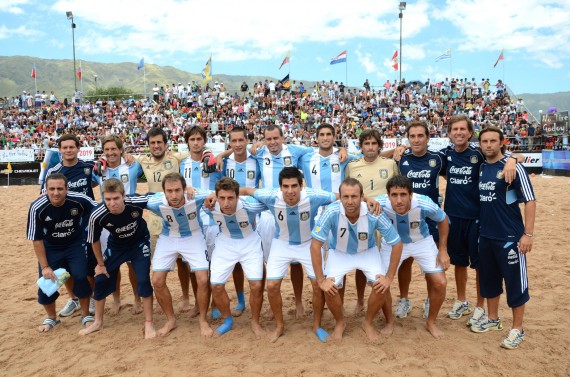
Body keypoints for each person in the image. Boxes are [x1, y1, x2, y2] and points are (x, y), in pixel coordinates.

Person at [240, 167, 337, 342]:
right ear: (280, 187)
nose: (290, 191)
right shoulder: (270, 195)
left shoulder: (314, 196)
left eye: (294, 186)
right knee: (272, 286)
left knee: (317, 284)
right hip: (281, 243)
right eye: (286, 186)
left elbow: (339, 196)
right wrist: (214, 196)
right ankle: (279, 325)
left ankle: (317, 325)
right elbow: (246, 190)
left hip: (308, 243)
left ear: (301, 186)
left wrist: (367, 199)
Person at [310, 178, 403, 341]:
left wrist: (389, 277)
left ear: (362, 197)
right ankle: (340, 322)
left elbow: (397, 243)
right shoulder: (331, 212)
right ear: (340, 197)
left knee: (381, 285)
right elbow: (315, 246)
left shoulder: (373, 212)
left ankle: (367, 322)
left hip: (367, 251)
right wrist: (320, 280)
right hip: (339, 252)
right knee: (329, 287)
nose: (350, 201)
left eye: (354, 197)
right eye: (345, 197)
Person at [471, 126, 535, 350]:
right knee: (489, 282)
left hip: (511, 237)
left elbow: (530, 200)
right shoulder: (480, 168)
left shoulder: (514, 168)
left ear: (501, 142)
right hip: (486, 236)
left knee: (515, 284)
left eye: (492, 141)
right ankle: (493, 319)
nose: (488, 145)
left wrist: (527, 234)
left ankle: (518, 329)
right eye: (484, 141)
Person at [376, 175, 450, 338]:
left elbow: (443, 219)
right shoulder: (380, 203)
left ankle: (431, 322)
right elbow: (359, 203)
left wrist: (443, 250)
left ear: (411, 195)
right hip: (392, 243)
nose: (399, 200)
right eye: (394, 195)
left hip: (421, 241)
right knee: (381, 283)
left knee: (440, 282)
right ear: (388, 196)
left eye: (403, 195)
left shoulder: (423, 203)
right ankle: (389, 321)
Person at [80, 178, 155, 338]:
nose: (112, 203)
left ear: (124, 196)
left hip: (139, 244)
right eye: (108, 199)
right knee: (101, 279)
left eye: (116, 198)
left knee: (143, 280)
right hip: (116, 246)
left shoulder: (135, 201)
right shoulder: (97, 215)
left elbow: (160, 197)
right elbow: (93, 240)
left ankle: (149, 323)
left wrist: (187, 191)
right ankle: (98, 322)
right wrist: (100, 264)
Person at [146, 173, 214, 337]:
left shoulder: (194, 196)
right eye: (169, 191)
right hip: (168, 237)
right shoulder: (155, 202)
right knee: (156, 280)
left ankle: (203, 320)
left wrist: (196, 190)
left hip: (193, 236)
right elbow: (137, 200)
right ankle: (171, 320)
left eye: (178, 190)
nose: (174, 195)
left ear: (184, 189)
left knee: (203, 279)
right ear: (163, 192)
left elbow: (217, 193)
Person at [27, 173, 97, 332]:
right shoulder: (37, 207)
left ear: (67, 189)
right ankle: (51, 318)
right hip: (51, 247)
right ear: (45, 189)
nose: (56, 193)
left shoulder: (79, 200)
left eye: (60, 188)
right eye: (51, 189)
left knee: (81, 276)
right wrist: (45, 267)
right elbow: (36, 240)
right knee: (47, 283)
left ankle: (86, 314)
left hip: (75, 245)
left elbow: (99, 208)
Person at [135, 128, 193, 314]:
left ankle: (185, 298)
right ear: (149, 145)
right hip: (154, 221)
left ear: (166, 144)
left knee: (183, 262)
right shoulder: (143, 161)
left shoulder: (176, 158)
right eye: (152, 143)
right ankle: (162, 300)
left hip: (177, 217)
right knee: (157, 264)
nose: (156, 146)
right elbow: (122, 159)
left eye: (159, 142)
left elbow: (200, 150)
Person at [392, 121, 446, 320]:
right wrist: (396, 151)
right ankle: (404, 299)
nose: (416, 140)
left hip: (430, 219)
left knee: (430, 265)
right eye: (412, 136)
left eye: (420, 136)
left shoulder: (438, 159)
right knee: (405, 262)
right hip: (404, 219)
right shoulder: (401, 158)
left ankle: (430, 300)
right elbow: (379, 158)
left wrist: (514, 158)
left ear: (428, 138)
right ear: (407, 139)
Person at [43, 134, 99, 318]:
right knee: (66, 267)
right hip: (64, 224)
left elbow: (103, 178)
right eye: (64, 147)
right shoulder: (54, 171)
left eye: (71, 147)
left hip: (87, 223)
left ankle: (88, 297)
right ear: (60, 150)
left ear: (78, 148)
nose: (68, 150)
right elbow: (46, 197)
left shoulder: (88, 167)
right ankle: (74, 298)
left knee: (87, 265)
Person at [345, 129, 398, 314]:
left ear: (379, 145)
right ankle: (360, 300)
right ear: (361, 146)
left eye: (374, 143)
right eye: (366, 143)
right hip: (361, 219)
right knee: (362, 262)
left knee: (381, 267)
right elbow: (348, 191)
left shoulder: (390, 164)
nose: (370, 147)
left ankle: (382, 306)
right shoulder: (353, 166)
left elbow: (396, 189)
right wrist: (367, 199)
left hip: (384, 221)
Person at [205, 177, 267, 338]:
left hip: (250, 242)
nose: (226, 203)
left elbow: (270, 198)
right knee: (216, 286)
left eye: (231, 198)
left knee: (256, 285)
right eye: (222, 198)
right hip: (225, 242)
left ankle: (255, 321)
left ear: (238, 197)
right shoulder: (209, 205)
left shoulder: (250, 205)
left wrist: (247, 190)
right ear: (216, 197)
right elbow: (188, 194)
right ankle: (227, 321)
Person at [94, 135, 144, 315]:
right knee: (111, 265)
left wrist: (133, 157)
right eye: (106, 150)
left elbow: (151, 164)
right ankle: (116, 300)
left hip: (131, 221)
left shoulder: (133, 165)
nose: (110, 153)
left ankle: (138, 299)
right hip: (108, 224)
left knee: (133, 265)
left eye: (114, 149)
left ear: (121, 150)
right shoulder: (99, 168)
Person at [220, 127, 262, 316]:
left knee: (259, 262)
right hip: (230, 217)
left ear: (247, 141)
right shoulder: (224, 162)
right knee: (236, 264)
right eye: (233, 141)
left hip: (254, 216)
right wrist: (222, 153)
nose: (237, 144)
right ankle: (241, 300)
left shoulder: (257, 160)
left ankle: (259, 301)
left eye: (240, 141)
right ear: (229, 143)